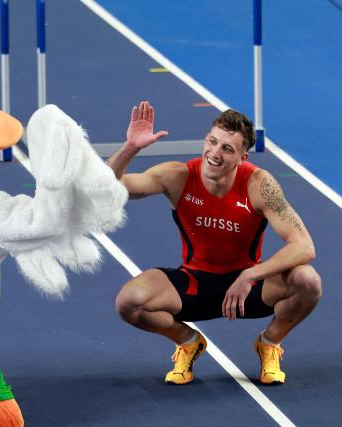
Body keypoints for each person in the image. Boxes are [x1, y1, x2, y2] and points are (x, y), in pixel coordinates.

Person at [107, 101, 322, 385]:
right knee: (128, 302)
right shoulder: (178, 176)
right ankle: (188, 341)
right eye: (212, 142)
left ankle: (269, 343)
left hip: (248, 288)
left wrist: (250, 275)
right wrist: (131, 147)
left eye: (227, 149)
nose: (215, 153)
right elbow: (110, 188)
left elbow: (304, 246)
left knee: (308, 281)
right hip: (194, 283)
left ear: (242, 157)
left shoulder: (259, 185)